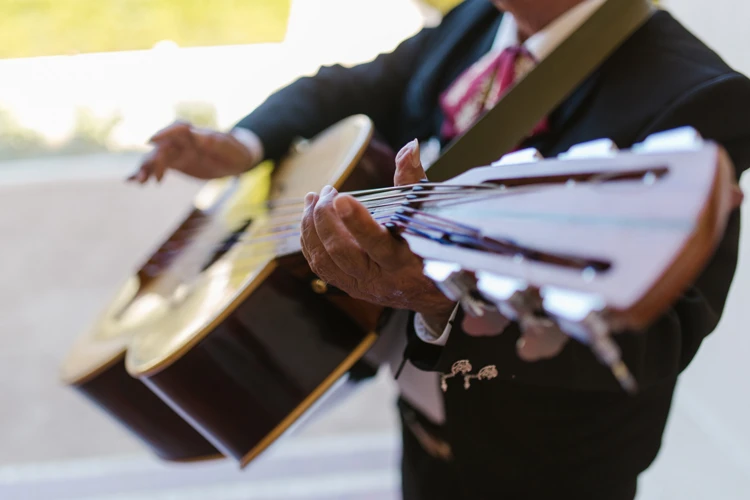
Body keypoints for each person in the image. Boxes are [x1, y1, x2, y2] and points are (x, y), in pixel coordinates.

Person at [129, 0, 750, 498]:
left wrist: (440, 295)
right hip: (423, 414)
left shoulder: (696, 95)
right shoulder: (481, 17)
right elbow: (356, 87)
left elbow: (660, 337)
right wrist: (243, 144)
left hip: (544, 462)